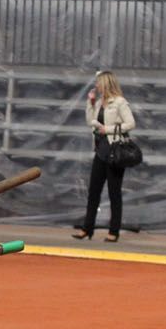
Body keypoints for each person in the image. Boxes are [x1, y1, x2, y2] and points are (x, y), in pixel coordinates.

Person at [70, 70, 135, 243]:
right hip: (100, 151)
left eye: (99, 82)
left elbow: (130, 123)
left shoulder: (119, 102)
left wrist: (109, 129)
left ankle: (114, 231)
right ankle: (87, 228)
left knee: (114, 192)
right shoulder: (99, 102)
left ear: (106, 83)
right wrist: (90, 104)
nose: (96, 85)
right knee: (93, 192)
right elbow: (90, 122)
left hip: (115, 152)